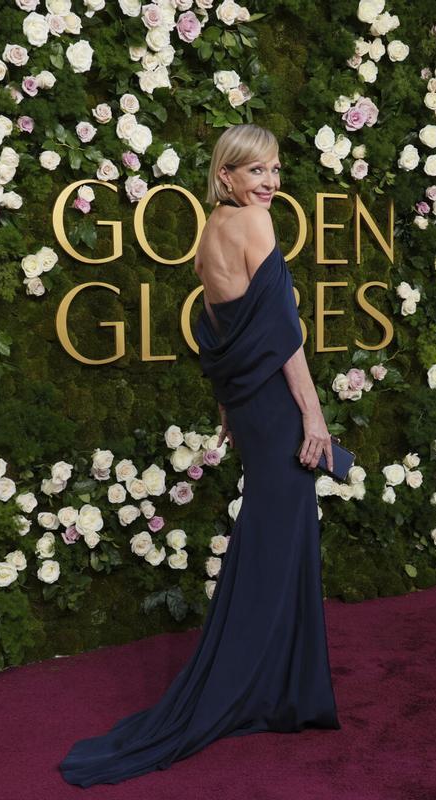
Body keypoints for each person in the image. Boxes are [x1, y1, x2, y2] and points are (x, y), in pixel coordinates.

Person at [60, 124, 340, 786]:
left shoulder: (209, 234)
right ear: (226, 176)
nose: (270, 182)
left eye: (275, 170)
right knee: (278, 543)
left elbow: (215, 336)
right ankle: (255, 689)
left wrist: (227, 409)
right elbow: (283, 334)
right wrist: (313, 414)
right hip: (277, 407)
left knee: (272, 539)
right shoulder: (253, 225)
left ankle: (278, 687)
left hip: (250, 409)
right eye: (256, 171)